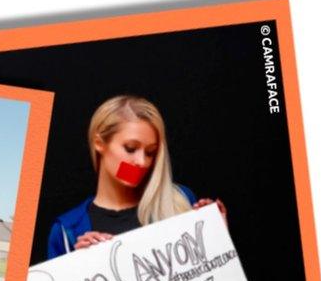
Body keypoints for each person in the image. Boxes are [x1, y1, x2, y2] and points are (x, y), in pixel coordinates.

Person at [46, 94, 226, 260]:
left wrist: (218, 237)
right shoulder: (67, 229)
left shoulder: (180, 199)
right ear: (99, 143)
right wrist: (75, 266)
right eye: (131, 148)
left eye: (150, 152)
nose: (142, 162)